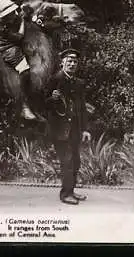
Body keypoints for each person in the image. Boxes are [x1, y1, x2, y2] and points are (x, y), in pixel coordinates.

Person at [46, 48, 92, 205]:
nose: (72, 64)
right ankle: (65, 194)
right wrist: (52, 99)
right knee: (67, 161)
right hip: (60, 130)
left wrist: (85, 129)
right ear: (62, 63)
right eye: (69, 61)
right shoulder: (54, 80)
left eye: (75, 62)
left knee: (76, 161)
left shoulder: (79, 83)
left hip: (76, 130)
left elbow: (82, 108)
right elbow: (42, 104)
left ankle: (71, 191)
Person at [0, 0, 39, 121]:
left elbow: (22, 15)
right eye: (11, 13)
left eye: (14, 12)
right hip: (8, 49)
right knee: (25, 72)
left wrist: (26, 12)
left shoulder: (10, 19)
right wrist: (23, 22)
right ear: (4, 16)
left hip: (15, 45)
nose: (15, 14)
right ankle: (23, 105)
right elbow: (19, 37)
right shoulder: (1, 27)